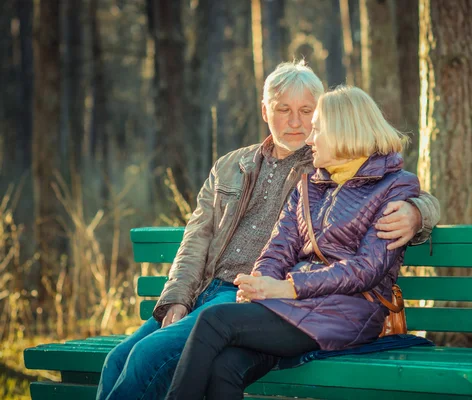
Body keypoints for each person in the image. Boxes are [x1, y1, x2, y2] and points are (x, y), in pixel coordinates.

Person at [97, 61, 440, 400]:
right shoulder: (233, 165)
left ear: (323, 117)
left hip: (254, 294)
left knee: (147, 359)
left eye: (307, 111)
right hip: (212, 289)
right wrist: (177, 299)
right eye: (283, 109)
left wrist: (417, 213)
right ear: (265, 111)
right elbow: (196, 239)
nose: (296, 122)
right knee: (116, 360)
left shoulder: (323, 164)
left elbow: (396, 189)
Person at [165, 85, 421, 399]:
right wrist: (259, 282)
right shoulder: (310, 184)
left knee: (214, 320)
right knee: (225, 368)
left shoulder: (395, 186)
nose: (310, 139)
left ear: (342, 132)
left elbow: (365, 270)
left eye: (317, 130)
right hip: (295, 307)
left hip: (347, 313)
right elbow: (280, 245)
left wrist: (288, 287)